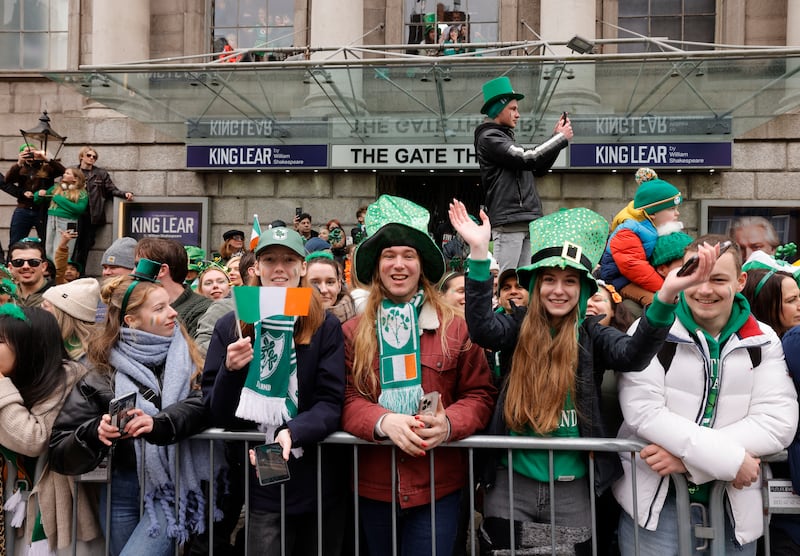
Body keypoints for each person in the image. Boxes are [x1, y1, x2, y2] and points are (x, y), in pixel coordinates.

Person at [448, 199, 715, 555]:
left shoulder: (592, 334)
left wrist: (665, 294)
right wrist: (480, 252)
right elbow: (482, 328)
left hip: (573, 489)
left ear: (584, 289)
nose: (559, 290)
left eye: (570, 281)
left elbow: (633, 355)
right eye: (550, 280)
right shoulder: (515, 325)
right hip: (512, 484)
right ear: (537, 284)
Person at [613, 235, 799, 555]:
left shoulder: (763, 338)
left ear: (740, 281)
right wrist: (729, 460)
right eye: (695, 277)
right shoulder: (650, 330)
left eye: (718, 279)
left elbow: (778, 422)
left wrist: (688, 462)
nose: (704, 289)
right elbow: (643, 411)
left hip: (734, 507)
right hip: (658, 508)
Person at [342, 195, 496, 555]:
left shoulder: (456, 329)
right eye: (389, 256)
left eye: (408, 255)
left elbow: (480, 394)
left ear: (422, 266)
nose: (399, 265)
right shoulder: (351, 331)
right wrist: (383, 422)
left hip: (437, 485)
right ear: (377, 266)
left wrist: (450, 424)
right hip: (373, 485)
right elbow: (346, 396)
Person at [48, 259, 213, 556]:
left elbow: (204, 402)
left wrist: (159, 424)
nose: (173, 312)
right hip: (121, 486)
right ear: (131, 320)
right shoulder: (99, 369)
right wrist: (94, 433)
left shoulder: (190, 356)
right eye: (159, 308)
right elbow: (60, 450)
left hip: (173, 485)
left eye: (169, 304)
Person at [204, 225, 346, 556]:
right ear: (256, 268)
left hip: (316, 476)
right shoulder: (233, 323)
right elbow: (217, 411)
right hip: (260, 477)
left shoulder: (324, 324)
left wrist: (292, 432)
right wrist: (230, 370)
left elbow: (330, 401)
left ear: (302, 268)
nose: (279, 268)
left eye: (288, 259)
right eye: (269, 260)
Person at [0, 305, 95, 553]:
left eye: (0, 340)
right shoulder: (18, 378)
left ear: (28, 346)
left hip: (50, 515)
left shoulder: (67, 377)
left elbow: (34, 440)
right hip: (13, 505)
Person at [475, 76, 573, 272]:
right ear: (497, 109)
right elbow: (530, 158)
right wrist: (559, 139)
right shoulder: (489, 137)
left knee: (523, 285)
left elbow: (538, 168)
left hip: (525, 221)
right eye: (513, 109)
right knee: (505, 283)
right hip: (510, 221)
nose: (518, 114)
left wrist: (556, 141)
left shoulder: (502, 137)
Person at [599, 177, 684, 307]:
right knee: (656, 302)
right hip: (620, 281)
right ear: (652, 213)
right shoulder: (627, 231)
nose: (677, 213)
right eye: (671, 209)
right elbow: (634, 267)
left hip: (636, 279)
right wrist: (664, 288)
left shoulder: (651, 228)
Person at [135, 238, 212, 338]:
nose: (134, 272)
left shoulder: (203, 309)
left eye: (140, 265)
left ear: (162, 270)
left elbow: (195, 352)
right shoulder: (136, 305)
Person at [72, 146, 134, 270]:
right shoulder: (73, 171)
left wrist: (124, 194)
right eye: (89, 155)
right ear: (81, 157)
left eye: (94, 157)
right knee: (72, 245)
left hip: (92, 215)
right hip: (74, 213)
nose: (92, 158)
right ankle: (68, 273)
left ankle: (79, 273)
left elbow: (111, 189)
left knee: (85, 246)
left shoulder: (100, 173)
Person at [2, 144, 65, 246]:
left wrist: (47, 158)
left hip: (42, 210)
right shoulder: (20, 168)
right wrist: (19, 163)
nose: (29, 154)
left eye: (32, 152)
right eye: (26, 152)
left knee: (46, 241)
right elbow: (7, 180)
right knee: (16, 241)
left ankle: (45, 261)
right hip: (23, 208)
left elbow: (64, 172)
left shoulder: (46, 168)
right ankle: (13, 260)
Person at [35, 166, 88, 261]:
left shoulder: (81, 193)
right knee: (49, 248)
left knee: (62, 249)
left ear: (75, 178)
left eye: (68, 173)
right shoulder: (56, 188)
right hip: (52, 220)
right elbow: (40, 199)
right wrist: (38, 195)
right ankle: (51, 272)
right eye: (64, 173)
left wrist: (58, 199)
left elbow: (79, 209)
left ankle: (62, 271)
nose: (64, 175)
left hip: (68, 222)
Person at [41, 277, 100, 361]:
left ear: (65, 315)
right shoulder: (49, 340)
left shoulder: (84, 361)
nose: (40, 309)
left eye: (45, 306)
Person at [304, 251, 355, 324]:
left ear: (339, 285)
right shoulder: (291, 321)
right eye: (314, 283)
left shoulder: (357, 325)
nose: (323, 290)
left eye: (330, 282)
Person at [7, 238, 52, 307]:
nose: (26, 266)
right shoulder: (5, 296)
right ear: (10, 267)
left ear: (44, 267)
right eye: (18, 262)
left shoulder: (56, 298)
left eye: (33, 262)